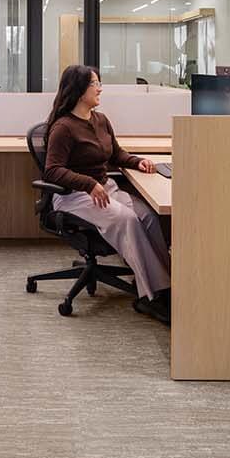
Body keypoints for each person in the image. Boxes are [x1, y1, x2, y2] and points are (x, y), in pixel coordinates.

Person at [43, 64, 172, 323]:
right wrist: (88, 184)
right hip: (74, 196)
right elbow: (52, 171)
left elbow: (115, 154)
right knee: (128, 220)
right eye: (95, 84)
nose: (100, 88)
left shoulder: (100, 120)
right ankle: (154, 296)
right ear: (80, 91)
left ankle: (168, 284)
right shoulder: (64, 127)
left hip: (105, 189)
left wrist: (136, 161)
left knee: (148, 216)